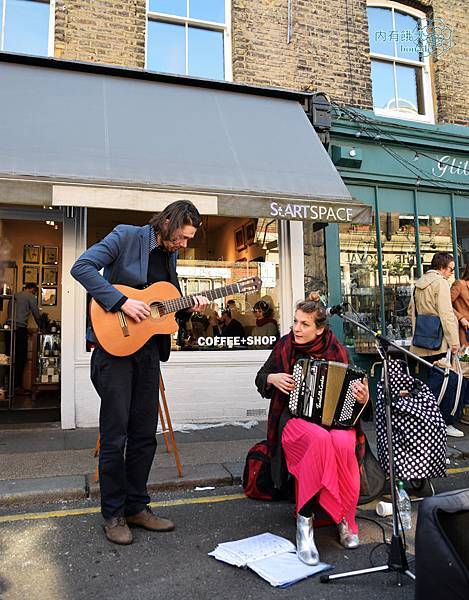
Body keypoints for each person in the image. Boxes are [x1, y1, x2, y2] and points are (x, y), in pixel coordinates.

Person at [71, 200, 209, 545]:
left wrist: (190, 306)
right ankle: (113, 514)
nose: (184, 245)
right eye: (181, 237)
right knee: (115, 436)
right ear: (165, 223)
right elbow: (82, 267)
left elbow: (162, 310)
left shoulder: (171, 254)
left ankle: (136, 506)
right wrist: (120, 301)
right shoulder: (126, 236)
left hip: (147, 353)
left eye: (188, 239)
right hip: (115, 351)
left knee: (145, 435)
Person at [255, 295, 369, 565]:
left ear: (320, 329)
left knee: (342, 443)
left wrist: (364, 398)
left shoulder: (337, 350)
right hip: (295, 420)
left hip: (333, 422)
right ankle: (304, 524)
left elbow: (356, 401)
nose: (296, 328)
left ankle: (344, 519)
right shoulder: (284, 346)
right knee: (317, 439)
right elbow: (261, 378)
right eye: (296, 321)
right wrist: (272, 378)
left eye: (304, 324)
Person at [408, 252, 463, 437]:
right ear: (441, 267)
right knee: (449, 380)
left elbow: (411, 311)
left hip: (422, 340)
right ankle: (442, 421)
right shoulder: (440, 283)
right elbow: (446, 314)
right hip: (439, 341)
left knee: (437, 378)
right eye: (450, 269)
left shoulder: (419, 283)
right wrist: (454, 341)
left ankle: (425, 417)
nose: (451, 273)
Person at [5, 282, 41, 392]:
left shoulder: (14, 295)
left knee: (9, 357)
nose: (35, 293)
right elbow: (36, 313)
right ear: (32, 289)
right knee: (21, 357)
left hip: (8, 328)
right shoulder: (30, 296)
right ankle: (17, 386)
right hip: (20, 329)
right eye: (35, 291)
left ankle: (7, 385)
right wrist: (42, 327)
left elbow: (11, 314)